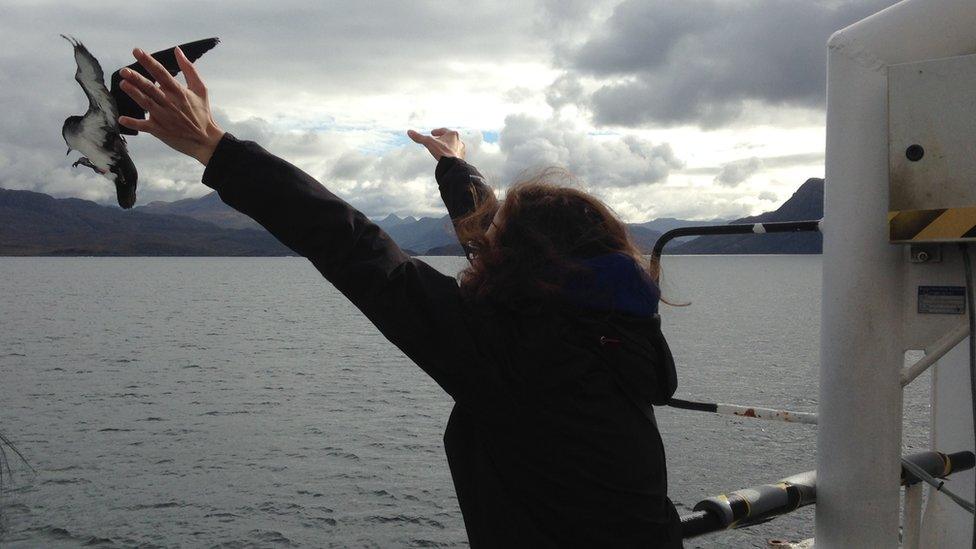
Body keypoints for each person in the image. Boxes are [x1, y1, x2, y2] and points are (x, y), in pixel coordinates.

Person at [117, 46, 683, 548]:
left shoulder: (513, 355)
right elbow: (498, 250)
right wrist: (455, 168)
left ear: (521, 266)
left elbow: (351, 243)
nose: (484, 249)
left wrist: (215, 148)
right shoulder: (615, 333)